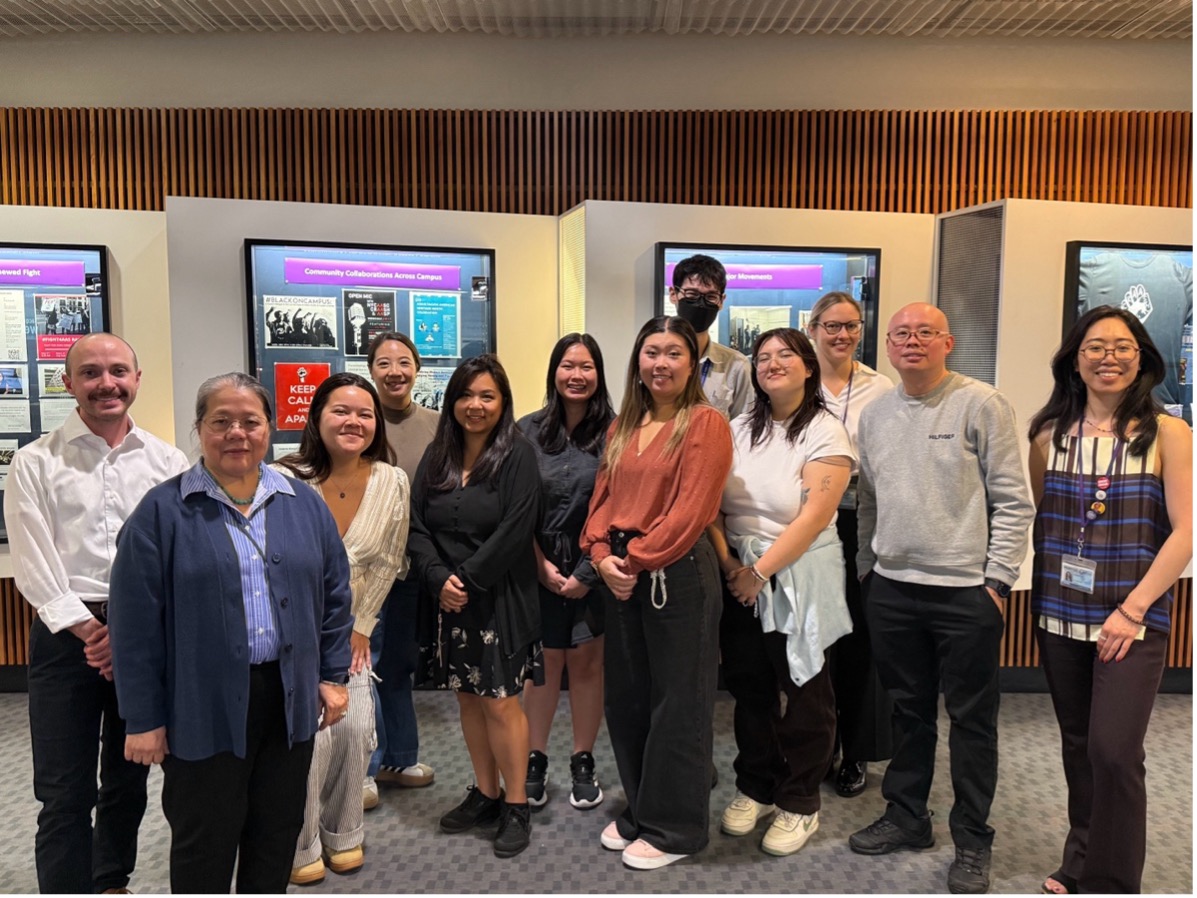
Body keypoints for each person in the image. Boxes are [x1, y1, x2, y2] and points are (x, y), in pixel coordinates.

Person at [108, 372, 354, 894]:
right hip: (201, 703)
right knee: (205, 839)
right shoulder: (161, 512)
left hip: (287, 700)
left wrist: (332, 676)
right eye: (221, 422)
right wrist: (144, 719)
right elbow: (133, 628)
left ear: (269, 429)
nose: (236, 433)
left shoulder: (303, 503)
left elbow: (335, 595)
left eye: (250, 421)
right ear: (199, 429)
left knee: (276, 832)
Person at [849, 303, 1034, 895]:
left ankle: (973, 840)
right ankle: (907, 816)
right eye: (901, 333)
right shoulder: (875, 415)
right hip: (893, 589)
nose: (911, 342)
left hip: (964, 594)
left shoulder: (981, 403)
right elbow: (870, 501)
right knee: (907, 712)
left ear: (947, 342)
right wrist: (867, 569)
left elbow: (1013, 500)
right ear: (889, 346)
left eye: (925, 332)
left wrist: (997, 581)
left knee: (972, 722)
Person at [3, 333, 188, 894]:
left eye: (117, 371)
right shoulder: (35, 462)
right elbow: (33, 564)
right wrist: (92, 630)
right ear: (69, 383)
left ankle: (110, 880)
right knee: (64, 789)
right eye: (90, 373)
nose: (106, 383)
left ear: (136, 379)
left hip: (145, 634)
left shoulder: (168, 461)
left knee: (128, 777)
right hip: (66, 639)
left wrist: (130, 633)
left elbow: (177, 557)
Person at [1027, 307, 1192, 894]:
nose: (1109, 358)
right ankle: (1081, 862)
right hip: (1059, 612)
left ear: (1142, 358)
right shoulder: (1048, 434)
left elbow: (1186, 533)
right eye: (1095, 347)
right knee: (1078, 744)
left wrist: (1133, 609)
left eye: (1122, 347)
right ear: (1075, 359)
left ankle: (1115, 882)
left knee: (1114, 750)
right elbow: (1048, 521)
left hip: (1133, 617)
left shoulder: (1169, 433)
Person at [580, 316, 733, 870]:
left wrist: (634, 563)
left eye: (673, 353)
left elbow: (690, 512)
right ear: (637, 361)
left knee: (679, 703)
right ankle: (645, 808)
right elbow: (598, 505)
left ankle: (677, 827)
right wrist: (601, 558)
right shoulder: (624, 423)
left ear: (692, 363)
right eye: (651, 352)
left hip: (676, 574)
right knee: (629, 700)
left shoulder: (705, 423)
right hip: (621, 572)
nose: (660, 363)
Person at [710, 327, 855, 857]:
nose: (771, 363)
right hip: (738, 570)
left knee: (806, 691)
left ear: (809, 366)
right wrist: (730, 564)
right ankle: (757, 784)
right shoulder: (737, 428)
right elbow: (713, 504)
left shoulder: (825, 430)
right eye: (762, 356)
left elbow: (815, 514)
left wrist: (760, 572)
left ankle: (800, 799)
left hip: (798, 573)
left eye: (784, 355)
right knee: (749, 687)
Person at [406, 354, 542, 859]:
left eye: (487, 395)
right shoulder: (438, 455)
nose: (475, 405)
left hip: (499, 599)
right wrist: (439, 578)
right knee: (467, 698)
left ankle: (516, 802)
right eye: (466, 395)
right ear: (452, 401)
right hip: (450, 601)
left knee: (501, 702)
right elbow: (416, 524)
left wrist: (466, 578)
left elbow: (516, 529)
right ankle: (485, 793)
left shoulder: (517, 455)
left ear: (502, 401)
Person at [275, 373, 409, 885]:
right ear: (316, 418)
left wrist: (361, 626)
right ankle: (300, 841)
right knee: (306, 741)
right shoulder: (284, 477)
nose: (353, 422)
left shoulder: (392, 480)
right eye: (341, 411)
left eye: (365, 414)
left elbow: (390, 558)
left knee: (352, 732)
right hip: (294, 632)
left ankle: (345, 833)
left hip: (354, 631)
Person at [516, 334, 615, 810]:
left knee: (587, 664)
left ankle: (582, 759)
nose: (577, 375)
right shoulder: (526, 431)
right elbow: (513, 507)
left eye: (587, 366)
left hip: (595, 564)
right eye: (568, 365)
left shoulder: (618, 432)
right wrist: (540, 566)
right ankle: (535, 758)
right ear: (554, 371)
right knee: (543, 665)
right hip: (535, 563)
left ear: (599, 374)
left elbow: (621, 507)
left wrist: (586, 572)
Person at [806, 291, 895, 798]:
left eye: (852, 326)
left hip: (862, 519)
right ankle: (819, 744)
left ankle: (856, 751)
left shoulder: (880, 387)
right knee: (815, 636)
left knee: (860, 637)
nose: (842, 335)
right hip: (809, 521)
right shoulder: (795, 379)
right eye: (832, 326)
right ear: (814, 327)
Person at [364, 332, 439, 804]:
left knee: (397, 662)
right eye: (384, 362)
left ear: (416, 369)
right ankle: (365, 766)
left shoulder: (437, 424)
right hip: (364, 565)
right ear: (371, 369)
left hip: (413, 564)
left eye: (404, 361)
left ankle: (399, 756)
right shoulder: (359, 417)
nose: (395, 370)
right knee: (361, 664)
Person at [669, 253, 753, 420]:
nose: (700, 303)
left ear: (721, 301)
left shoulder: (736, 365)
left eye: (710, 297)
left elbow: (744, 430)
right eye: (691, 295)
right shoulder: (654, 360)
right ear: (673, 294)